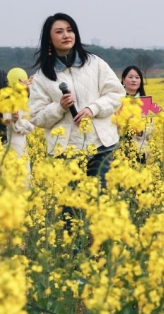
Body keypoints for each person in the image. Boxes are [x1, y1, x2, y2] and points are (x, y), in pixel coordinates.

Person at [28, 13, 125, 188]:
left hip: (100, 146)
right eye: (59, 32)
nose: (66, 35)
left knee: (100, 203)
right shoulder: (42, 77)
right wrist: (59, 107)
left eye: (70, 30)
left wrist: (93, 109)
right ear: (49, 39)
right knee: (70, 208)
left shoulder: (95, 63)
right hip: (66, 151)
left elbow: (117, 94)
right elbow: (36, 117)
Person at [120, 65, 153, 160]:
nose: (134, 80)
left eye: (137, 77)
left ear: (140, 81)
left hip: (139, 150)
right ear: (123, 79)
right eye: (130, 77)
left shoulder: (145, 101)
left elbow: (150, 127)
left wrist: (140, 132)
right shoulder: (116, 100)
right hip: (119, 151)